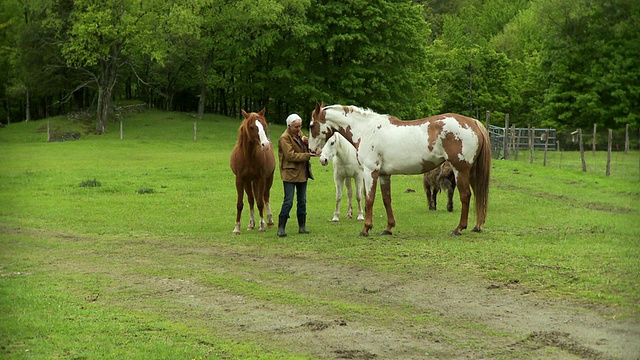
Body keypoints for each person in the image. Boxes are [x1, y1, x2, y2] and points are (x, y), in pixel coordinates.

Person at [277, 113, 316, 237]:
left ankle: (302, 227)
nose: (299, 129)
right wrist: (307, 156)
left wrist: (308, 143)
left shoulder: (299, 135)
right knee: (288, 201)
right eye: (296, 127)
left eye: (300, 126)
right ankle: (281, 228)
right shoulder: (284, 138)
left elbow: (306, 147)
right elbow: (290, 155)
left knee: (302, 201)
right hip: (290, 173)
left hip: (302, 173)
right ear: (289, 126)